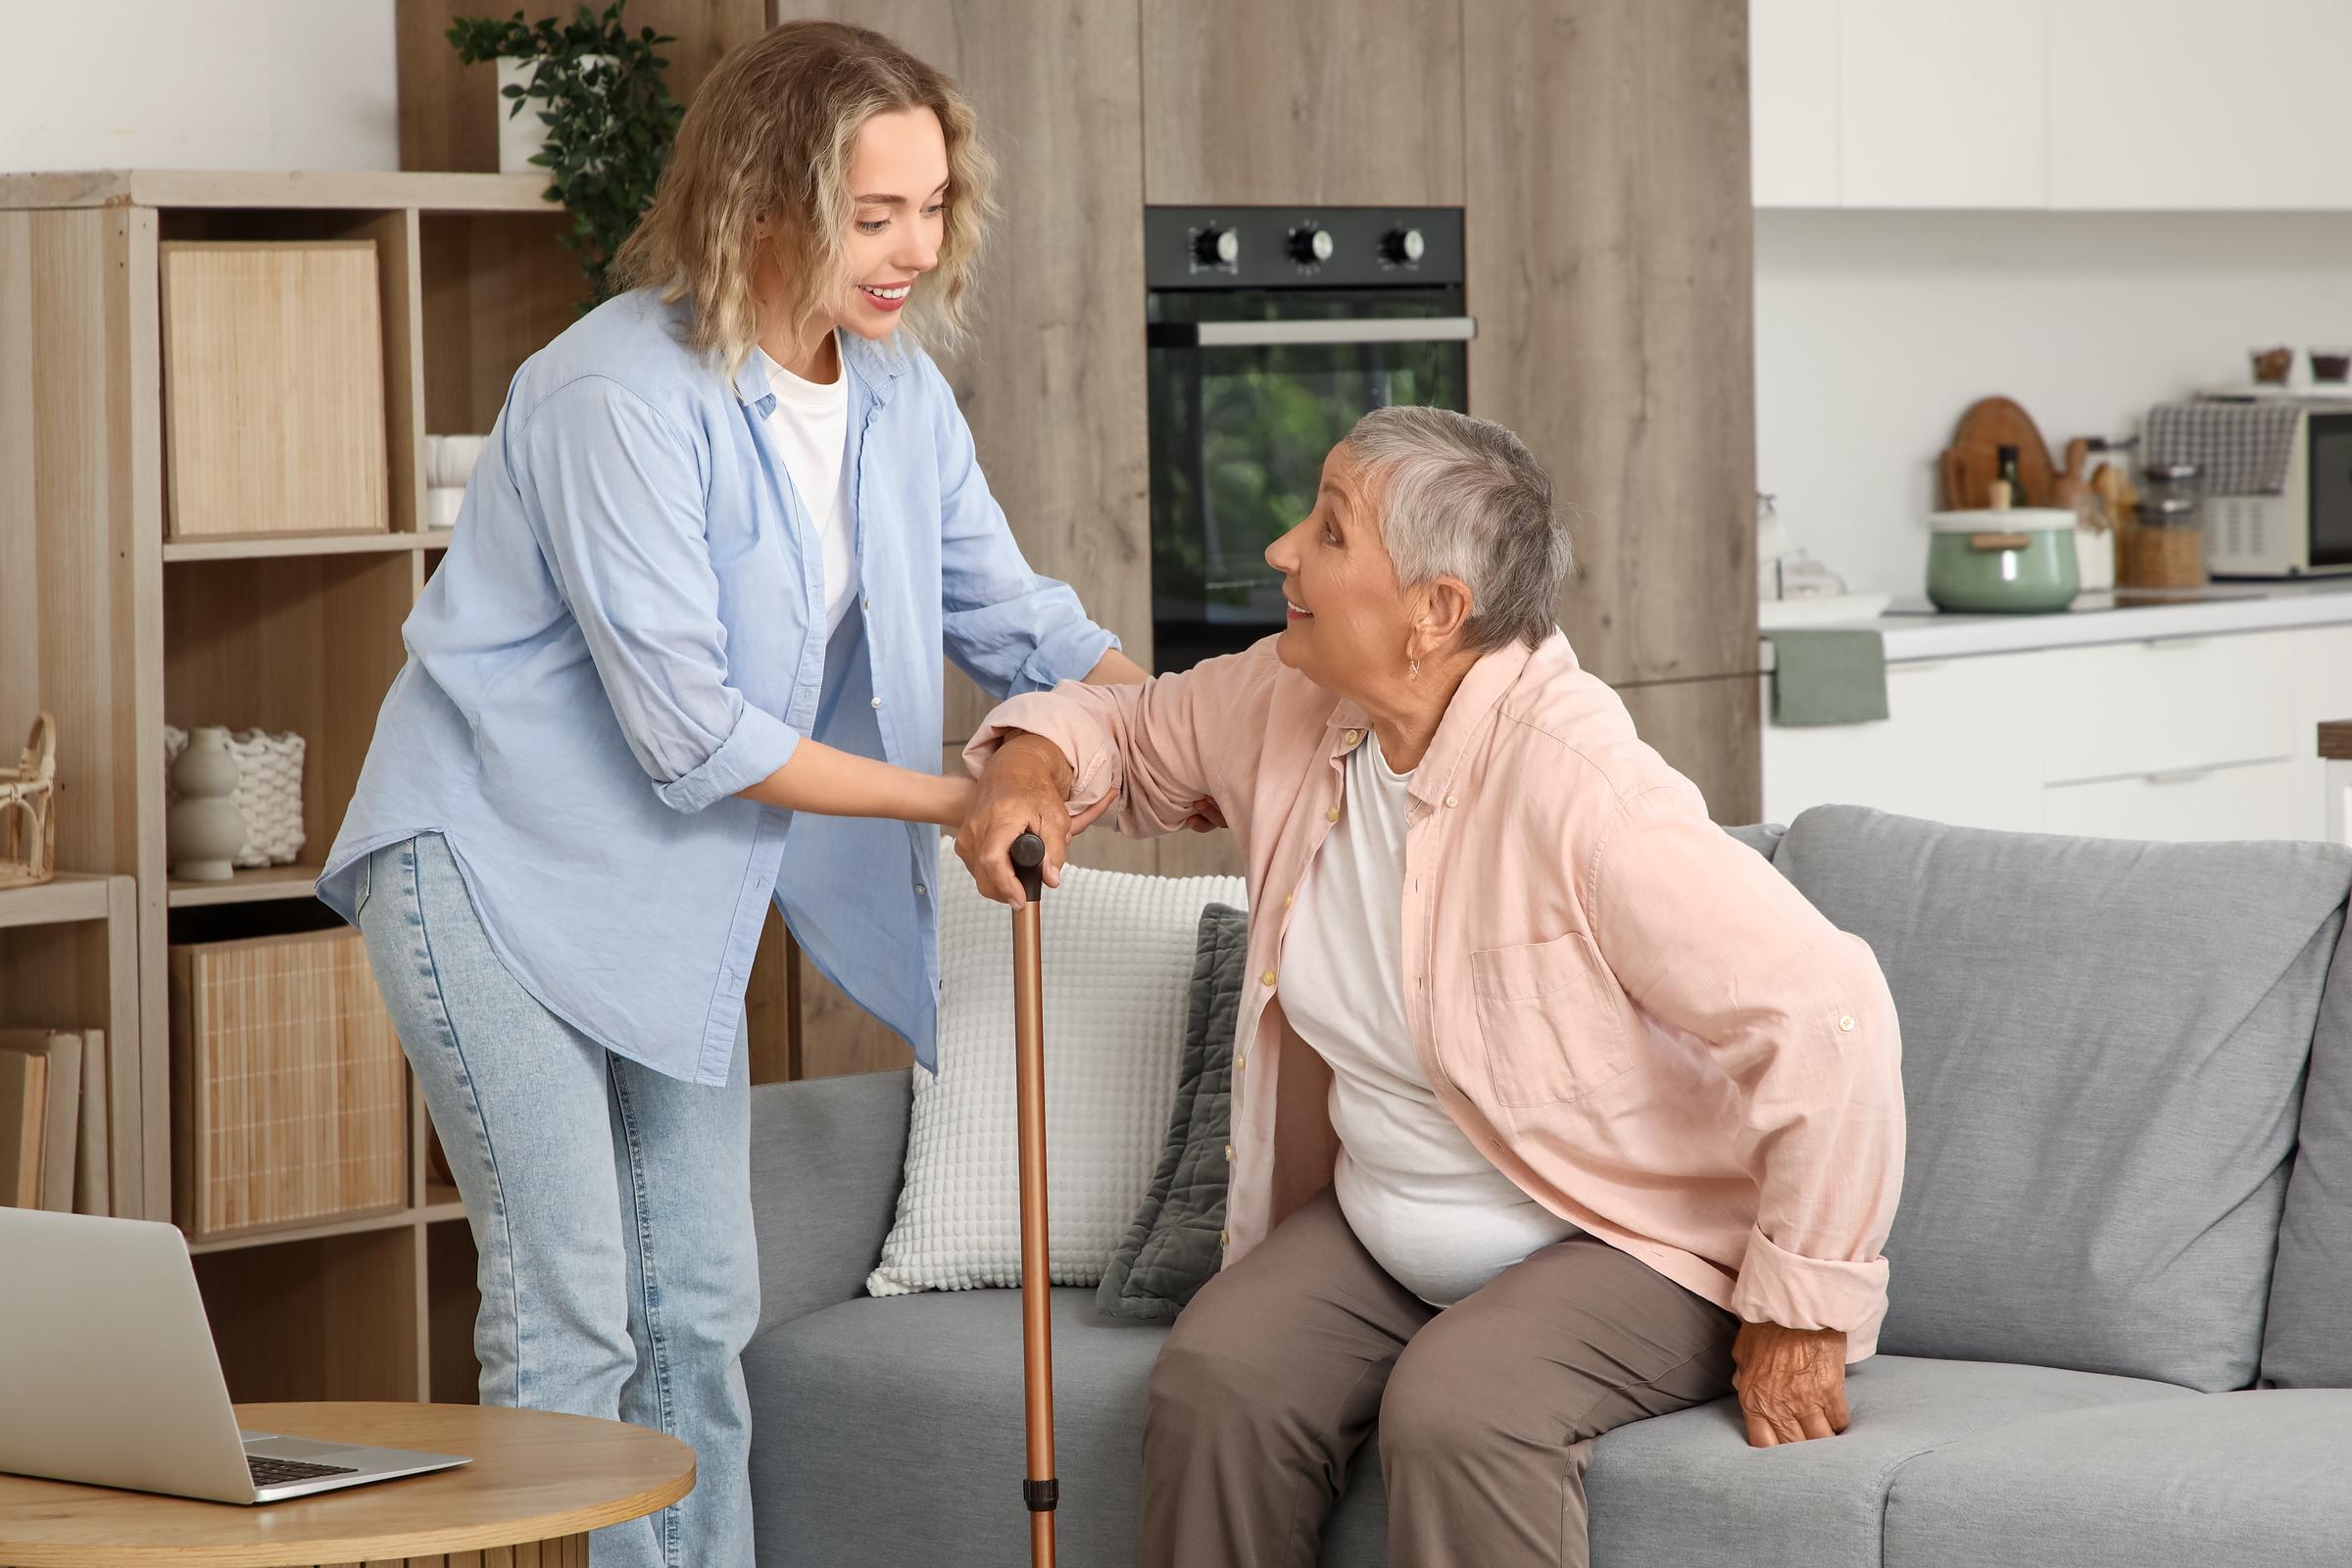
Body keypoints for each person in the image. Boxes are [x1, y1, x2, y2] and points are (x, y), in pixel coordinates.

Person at [315, 22, 1153, 1567]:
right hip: (486, 866)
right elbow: (692, 732)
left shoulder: (894, 398)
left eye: (931, 206)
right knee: (571, 1296)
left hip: (673, 892)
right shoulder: (614, 393)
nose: (913, 249)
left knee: (699, 1301)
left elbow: (1015, 615)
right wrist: (957, 801)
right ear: (764, 199)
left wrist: (1161, 727)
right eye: (875, 213)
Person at [955, 404, 1907, 1568]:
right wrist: (1031, 762)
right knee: (1220, 1380)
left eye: (1331, 532)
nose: (1282, 551)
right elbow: (1128, 727)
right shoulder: (1289, 703)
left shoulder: (1582, 786)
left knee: (1462, 1406)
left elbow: (1830, 1010)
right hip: (1387, 1225)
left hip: (1620, 1236)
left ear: (1435, 613)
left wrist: (1805, 1307)